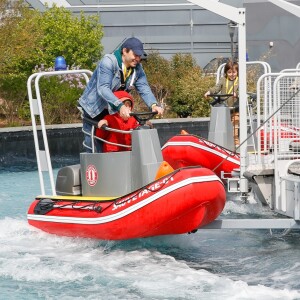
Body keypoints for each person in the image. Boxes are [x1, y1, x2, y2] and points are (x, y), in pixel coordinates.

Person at [78, 37, 163, 152]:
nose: (138, 59)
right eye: (135, 55)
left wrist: (153, 105)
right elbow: (103, 88)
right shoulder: (108, 62)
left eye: (140, 56)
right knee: (94, 147)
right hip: (94, 110)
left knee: (117, 144)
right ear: (124, 51)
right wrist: (120, 106)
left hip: (112, 110)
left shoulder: (137, 69)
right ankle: (93, 168)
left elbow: (144, 88)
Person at [204, 60, 239, 147]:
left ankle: (236, 143)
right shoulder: (223, 80)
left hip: (235, 107)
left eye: (234, 72)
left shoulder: (239, 81)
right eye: (229, 72)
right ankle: (222, 143)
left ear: (237, 72)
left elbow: (243, 91)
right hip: (224, 108)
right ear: (226, 73)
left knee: (235, 124)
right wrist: (209, 92)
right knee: (222, 125)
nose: (232, 74)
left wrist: (237, 94)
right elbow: (216, 88)